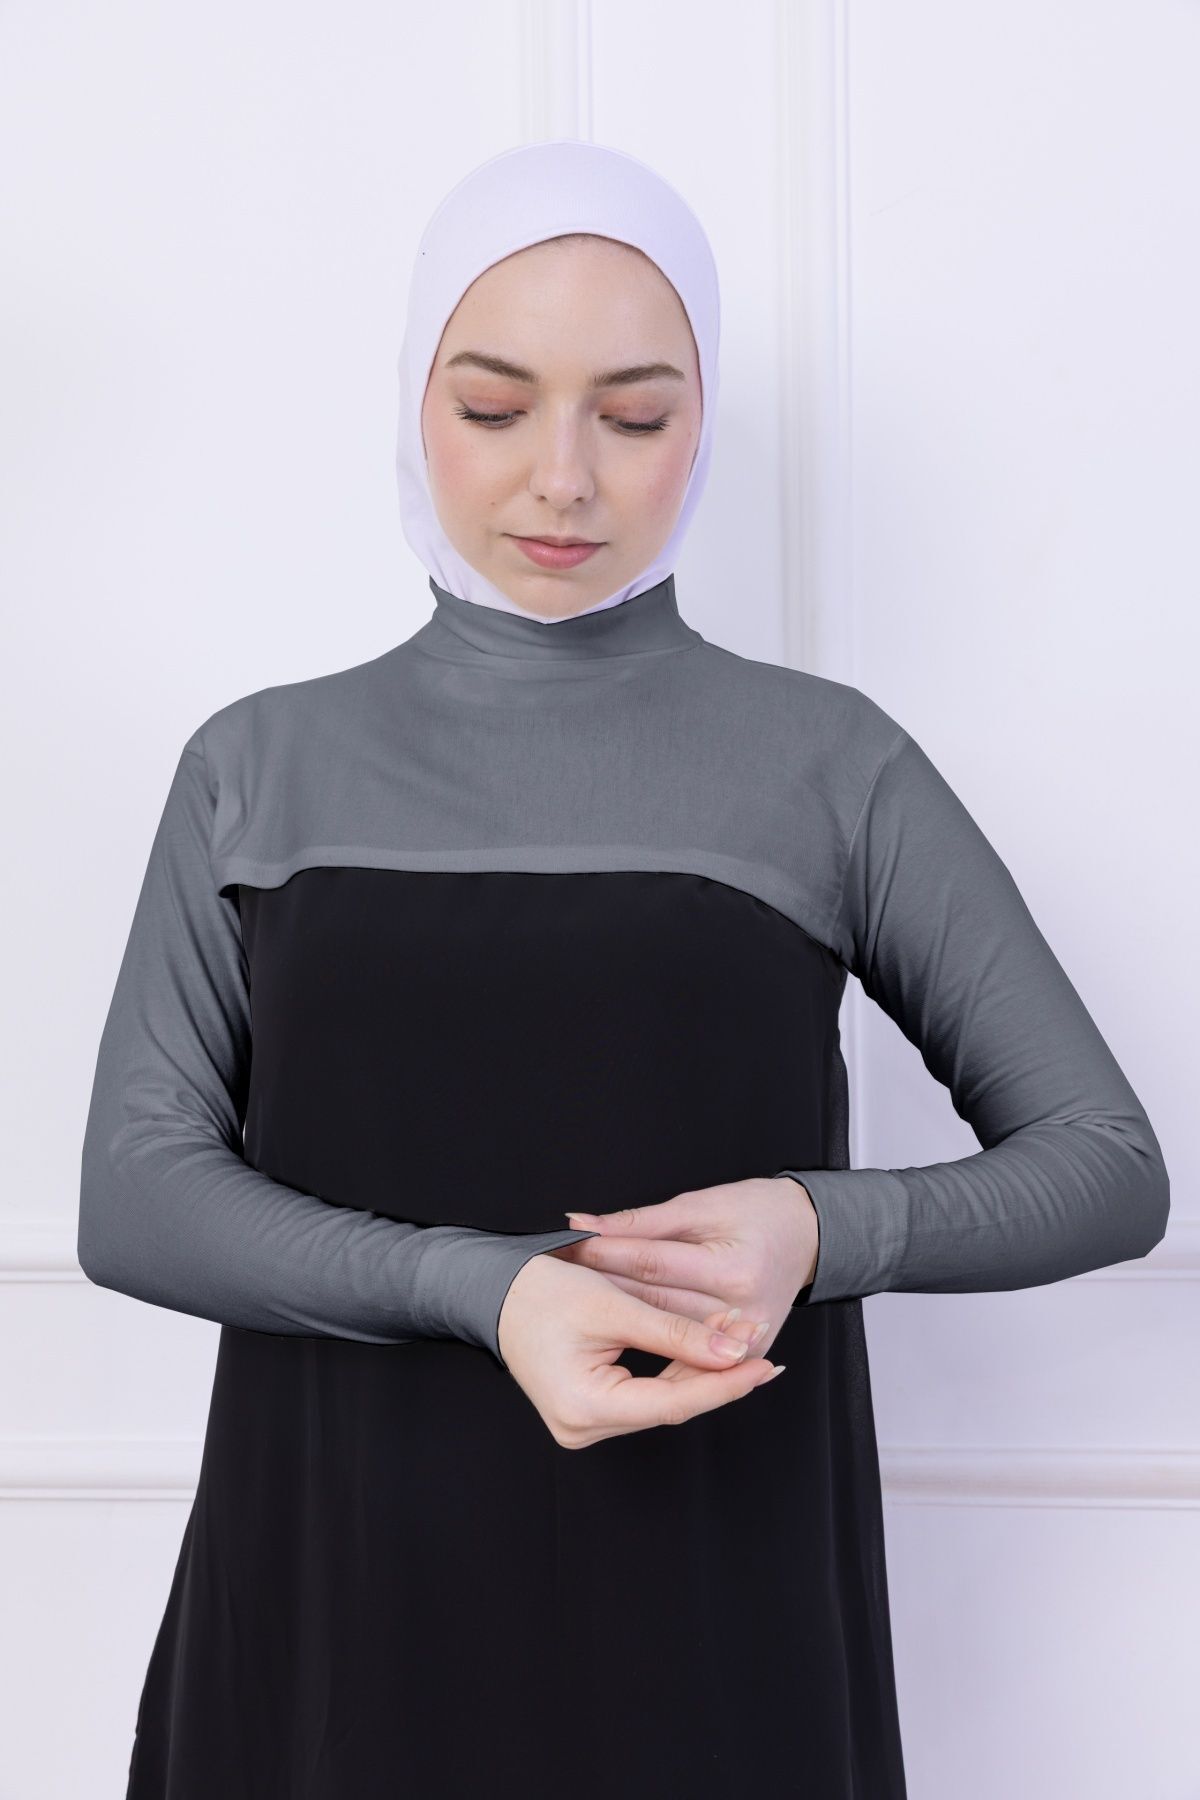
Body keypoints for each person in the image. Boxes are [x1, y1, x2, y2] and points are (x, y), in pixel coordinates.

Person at [78, 138, 1170, 1798]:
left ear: (703, 423)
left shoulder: (829, 765)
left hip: (708, 1627)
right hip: (331, 1614)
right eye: (494, 407)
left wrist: (821, 1227)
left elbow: (1105, 1164)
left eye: (636, 417)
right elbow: (136, 1199)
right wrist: (489, 1290)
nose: (563, 481)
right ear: (414, 401)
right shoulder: (257, 766)